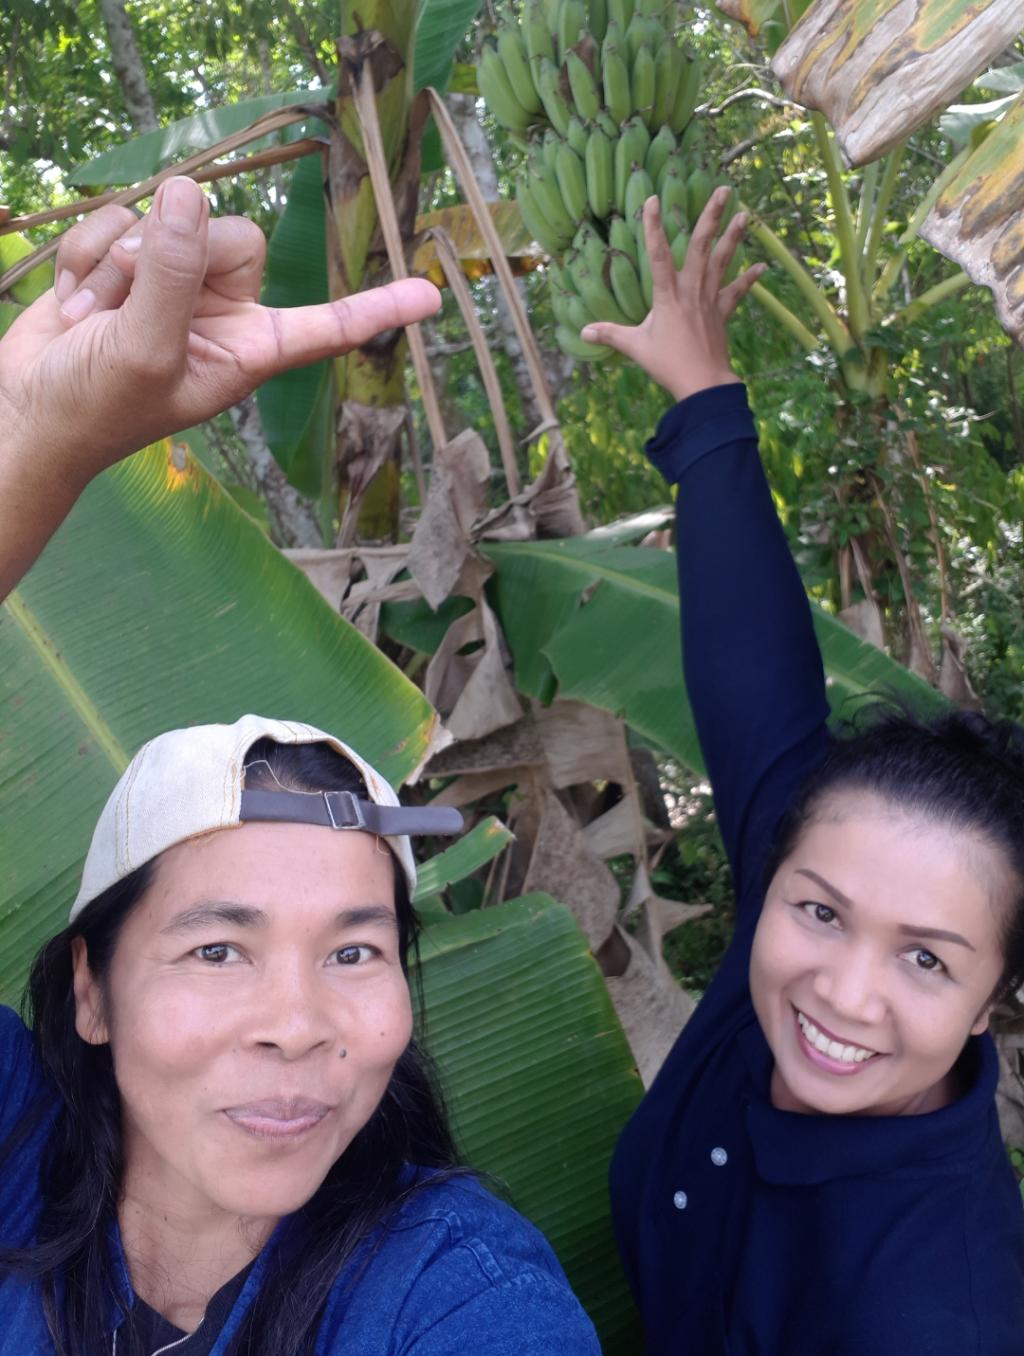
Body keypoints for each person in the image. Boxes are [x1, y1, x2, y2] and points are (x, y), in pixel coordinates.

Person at [0, 178, 600, 1354]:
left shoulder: (454, 1297)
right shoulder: (22, 1162)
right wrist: (35, 433)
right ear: (91, 992)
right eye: (218, 948)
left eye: (355, 950)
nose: (298, 1024)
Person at [581, 189, 1024, 1353]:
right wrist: (705, 400)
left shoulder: (932, 1313)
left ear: (990, 1002)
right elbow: (757, 681)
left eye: (927, 959)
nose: (842, 992)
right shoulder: (780, 961)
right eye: (820, 912)